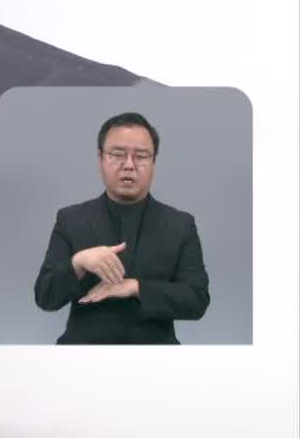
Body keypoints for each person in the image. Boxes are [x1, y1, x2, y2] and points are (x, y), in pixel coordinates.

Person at [32, 111, 210, 343]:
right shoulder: (70, 219)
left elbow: (197, 301)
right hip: (80, 360)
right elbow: (45, 298)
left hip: (157, 362)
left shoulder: (181, 224)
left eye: (141, 156)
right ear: (100, 158)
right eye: (117, 154)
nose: (129, 165)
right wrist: (78, 262)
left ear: (154, 161)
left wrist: (136, 288)